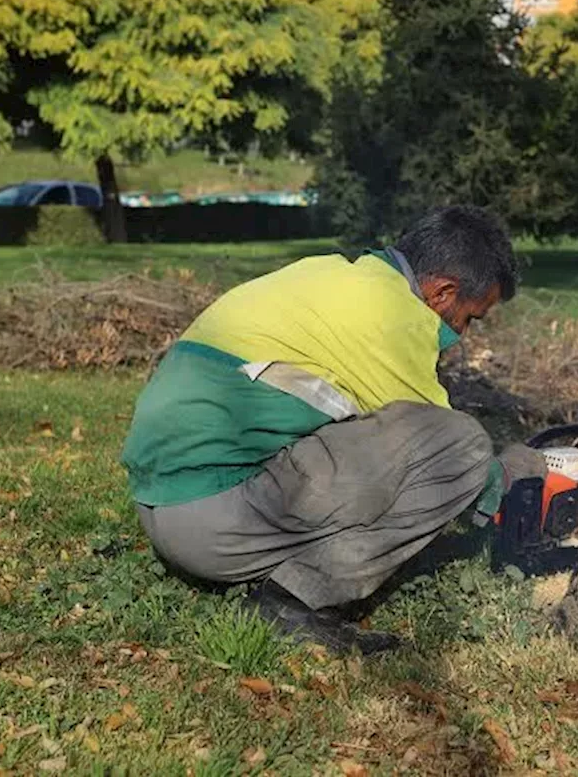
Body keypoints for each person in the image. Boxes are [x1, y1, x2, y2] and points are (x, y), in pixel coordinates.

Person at [121, 206, 546, 653]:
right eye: (470, 318)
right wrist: (513, 474)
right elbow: (447, 451)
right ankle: (290, 597)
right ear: (443, 292)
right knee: (466, 446)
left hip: (161, 504)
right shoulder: (392, 316)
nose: (463, 332)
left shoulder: (333, 276)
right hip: (212, 522)